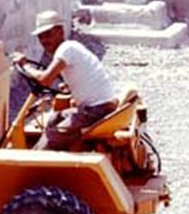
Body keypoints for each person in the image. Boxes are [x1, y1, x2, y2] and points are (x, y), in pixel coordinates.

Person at [11, 10, 119, 151]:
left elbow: (45, 79)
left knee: (52, 136)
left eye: (48, 34)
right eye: (41, 37)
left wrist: (24, 65)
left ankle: (35, 160)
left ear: (60, 31)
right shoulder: (71, 48)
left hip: (96, 110)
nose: (45, 41)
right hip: (95, 106)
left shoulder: (66, 49)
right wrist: (68, 86)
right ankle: (58, 155)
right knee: (53, 119)